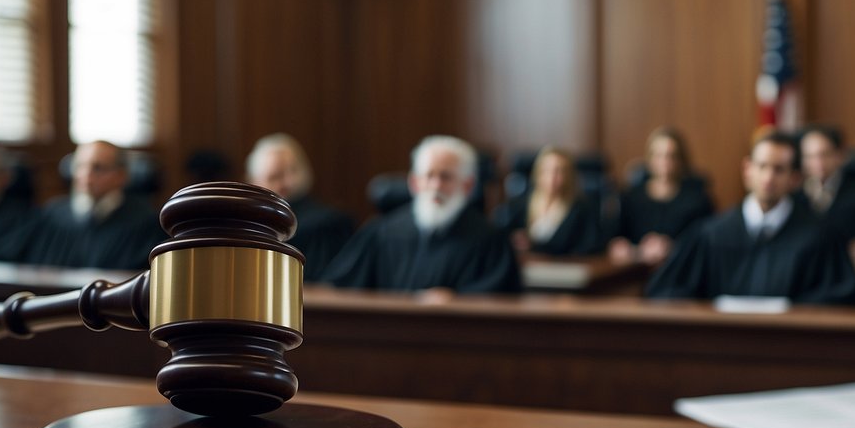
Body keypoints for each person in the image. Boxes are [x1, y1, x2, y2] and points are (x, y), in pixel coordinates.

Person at [645, 130, 855, 304]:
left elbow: (843, 300)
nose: (768, 177)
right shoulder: (711, 234)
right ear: (747, 170)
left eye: (779, 169)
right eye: (762, 166)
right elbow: (665, 291)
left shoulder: (820, 236)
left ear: (794, 179)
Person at [324, 135, 521, 294]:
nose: (436, 186)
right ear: (414, 182)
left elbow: (503, 300)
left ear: (468, 185)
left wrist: (456, 301)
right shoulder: (382, 231)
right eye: (429, 175)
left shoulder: (490, 239)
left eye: (446, 177)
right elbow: (340, 287)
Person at [26, 139, 164, 270]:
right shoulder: (53, 215)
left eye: (97, 168)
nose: (86, 175)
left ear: (121, 175)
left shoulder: (145, 221)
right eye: (79, 166)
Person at [245, 133, 354, 281]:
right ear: (254, 181)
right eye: (276, 176)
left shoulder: (327, 226)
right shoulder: (247, 230)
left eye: (294, 171)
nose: (288, 183)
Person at [608, 127, 714, 265]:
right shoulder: (630, 197)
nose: (665, 162)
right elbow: (617, 238)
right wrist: (624, 247)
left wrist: (672, 247)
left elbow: (706, 243)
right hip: (634, 271)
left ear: (681, 160)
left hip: (679, 272)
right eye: (658, 155)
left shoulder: (698, 201)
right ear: (649, 159)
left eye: (671, 156)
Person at [493, 147, 601, 256]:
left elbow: (585, 248)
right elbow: (502, 234)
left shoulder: (581, 209)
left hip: (562, 268)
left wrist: (534, 245)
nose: (552, 177)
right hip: (526, 266)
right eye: (546, 170)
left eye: (559, 171)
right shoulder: (520, 204)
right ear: (537, 173)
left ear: (569, 176)